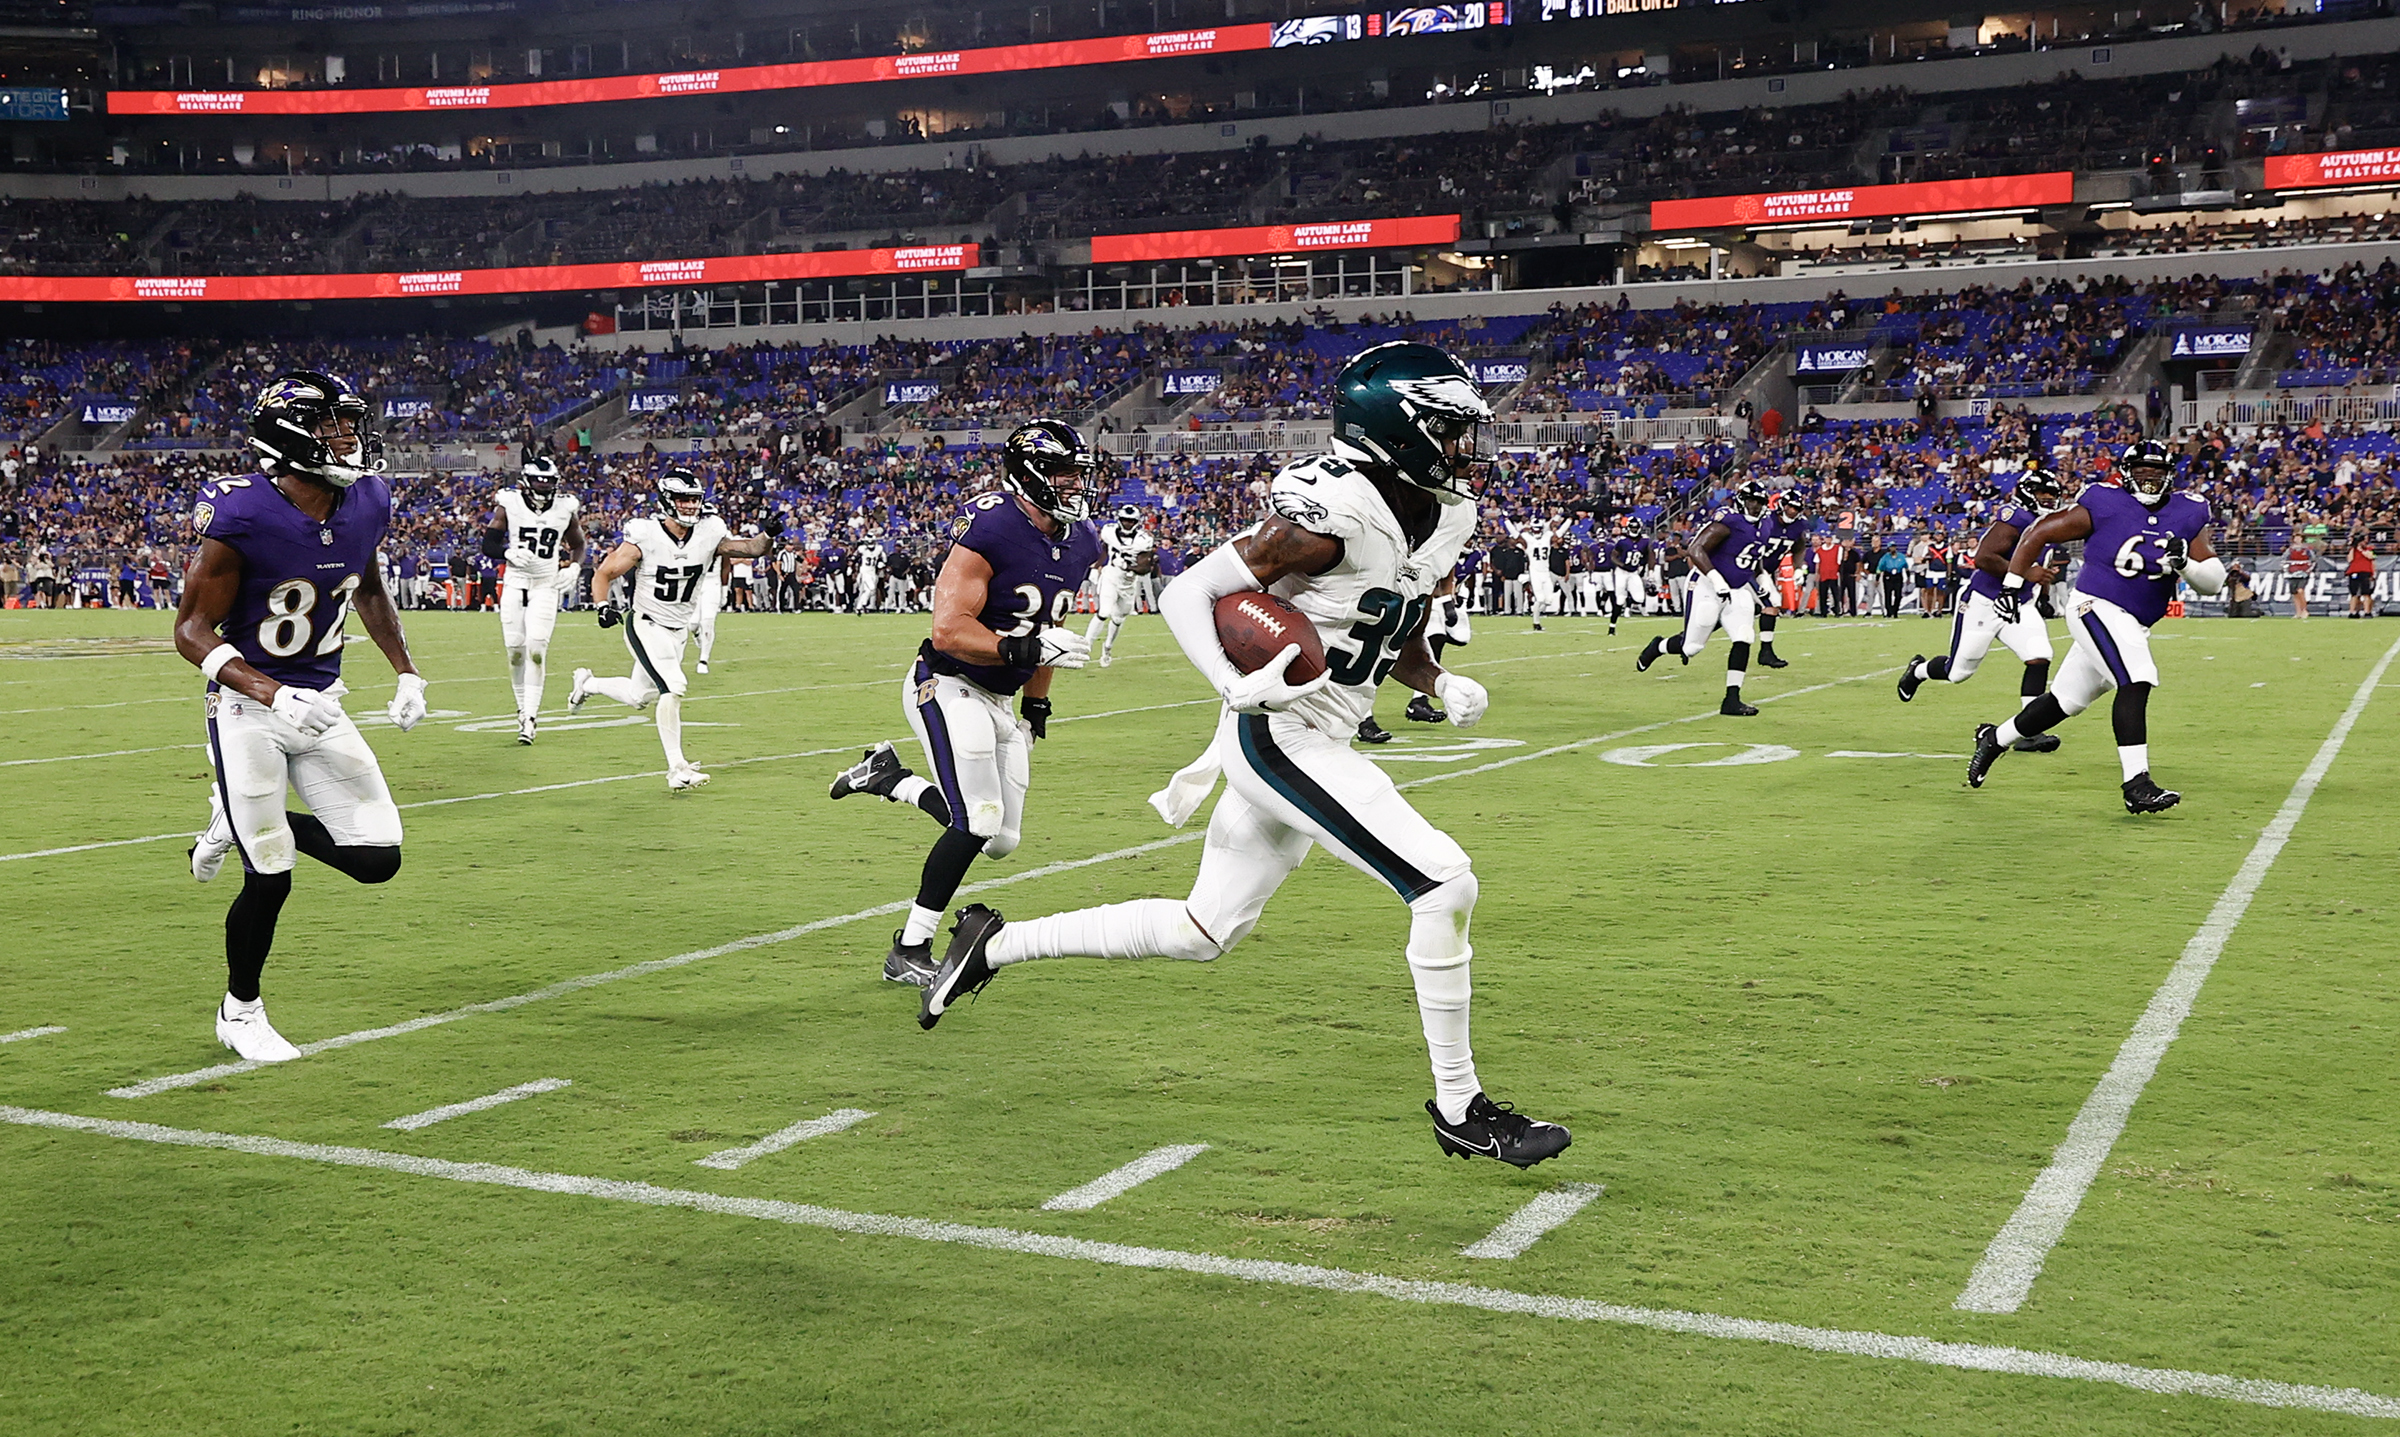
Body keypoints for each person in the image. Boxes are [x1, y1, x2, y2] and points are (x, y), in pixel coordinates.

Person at [912, 343, 1570, 1170]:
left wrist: (1436, 677)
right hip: (1279, 733)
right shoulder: (1331, 511)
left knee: (1203, 929)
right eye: (1448, 428)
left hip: (1322, 728)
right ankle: (1460, 1105)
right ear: (1397, 430)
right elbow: (1193, 590)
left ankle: (990, 945)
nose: (1464, 446)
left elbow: (1374, 626)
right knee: (1444, 882)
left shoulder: (1449, 513)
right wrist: (1234, 683)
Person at [178, 371, 427, 1062]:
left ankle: (234, 813)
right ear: (290, 437)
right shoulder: (243, 512)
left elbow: (367, 584)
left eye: (349, 424)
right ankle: (240, 1009)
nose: (349, 438)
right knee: (272, 870)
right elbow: (192, 630)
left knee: (377, 857)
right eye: (331, 427)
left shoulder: (367, 497)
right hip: (246, 702)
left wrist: (405, 669)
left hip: (320, 702)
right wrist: (269, 691)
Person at [825, 419, 1100, 987]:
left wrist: (1036, 704)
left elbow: (1053, 629)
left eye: (1079, 474)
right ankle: (910, 947)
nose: (1075, 485)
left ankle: (889, 778)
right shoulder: (992, 526)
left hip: (1000, 695)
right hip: (948, 682)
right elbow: (949, 631)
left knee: (1001, 841)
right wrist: (1021, 646)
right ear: (1030, 476)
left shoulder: (1083, 541)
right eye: (1063, 475)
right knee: (975, 821)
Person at [1967, 439, 2225, 813]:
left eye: (2157, 476)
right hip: (2094, 605)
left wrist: (2185, 563)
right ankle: (2137, 784)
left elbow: (2213, 582)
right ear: (2126, 475)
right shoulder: (2104, 502)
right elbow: (2037, 532)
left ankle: (1994, 738)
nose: (2149, 483)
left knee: (2066, 701)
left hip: (2134, 621)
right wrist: (2011, 585)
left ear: (2170, 477)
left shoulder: (2188, 511)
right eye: (2142, 475)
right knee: (2136, 678)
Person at [569, 469, 778, 791]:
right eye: (684, 499)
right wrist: (601, 606)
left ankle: (587, 684)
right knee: (674, 685)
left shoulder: (710, 531)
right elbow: (604, 573)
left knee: (640, 697)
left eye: (695, 499)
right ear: (667, 499)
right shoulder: (646, 535)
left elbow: (750, 549)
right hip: (646, 623)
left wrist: (768, 535)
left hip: (678, 629)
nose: (691, 505)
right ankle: (677, 768)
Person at [1896, 468, 2066, 753]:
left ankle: (2030, 731)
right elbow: (1984, 558)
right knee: (1958, 672)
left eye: (2052, 496)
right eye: (2042, 495)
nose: (2048, 501)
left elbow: (2039, 565)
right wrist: (2027, 574)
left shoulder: (2045, 522)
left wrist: (2043, 594)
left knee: (2039, 656)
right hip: (1984, 602)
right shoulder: (2015, 519)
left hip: (2018, 604)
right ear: (2027, 494)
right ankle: (1918, 671)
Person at [1635, 477, 1776, 716]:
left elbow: (1753, 558)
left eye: (1760, 502)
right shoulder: (1728, 520)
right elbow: (1695, 548)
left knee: (1744, 636)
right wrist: (1717, 579)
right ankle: (1657, 647)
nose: (1757, 506)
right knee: (1691, 647)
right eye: (1752, 501)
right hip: (1706, 585)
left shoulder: (1765, 525)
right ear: (1742, 500)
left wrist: (1763, 579)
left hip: (1738, 589)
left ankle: (1732, 699)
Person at [482, 455, 586, 745]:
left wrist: (575, 566)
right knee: (515, 650)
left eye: (549, 481)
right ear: (526, 483)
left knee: (537, 648)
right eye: (539, 480)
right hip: (515, 582)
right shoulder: (510, 504)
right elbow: (488, 543)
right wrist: (506, 553)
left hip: (545, 583)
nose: (544, 486)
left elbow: (578, 544)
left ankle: (530, 717)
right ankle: (520, 708)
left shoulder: (565, 508)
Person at [1084, 503, 1156, 667]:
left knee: (1118, 618)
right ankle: (1086, 646)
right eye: (1125, 520)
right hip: (1111, 575)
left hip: (1129, 581)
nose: (1127, 524)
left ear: (1136, 522)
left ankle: (1107, 648)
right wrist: (1096, 566)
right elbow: (1104, 549)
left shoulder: (1143, 540)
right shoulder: (1109, 531)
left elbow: (1144, 567)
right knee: (1104, 612)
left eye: (1131, 521)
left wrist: (1128, 567)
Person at [1606, 517, 1647, 635]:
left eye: (1636, 527)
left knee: (1639, 598)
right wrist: (1622, 565)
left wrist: (1645, 568)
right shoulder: (1623, 541)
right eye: (1632, 527)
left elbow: (1647, 556)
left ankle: (1627, 600)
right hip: (1621, 572)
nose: (1634, 529)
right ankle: (1612, 627)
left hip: (1633, 572)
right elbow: (1613, 556)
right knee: (1619, 600)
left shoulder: (1644, 541)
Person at [2345, 532, 2375, 618]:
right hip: (2354, 571)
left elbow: (2371, 557)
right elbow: (2350, 559)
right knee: (2354, 594)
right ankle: (2353, 611)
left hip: (2365, 571)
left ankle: (2367, 612)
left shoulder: (2369, 549)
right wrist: (2353, 549)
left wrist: (2361, 550)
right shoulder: (2353, 550)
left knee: (2366, 593)